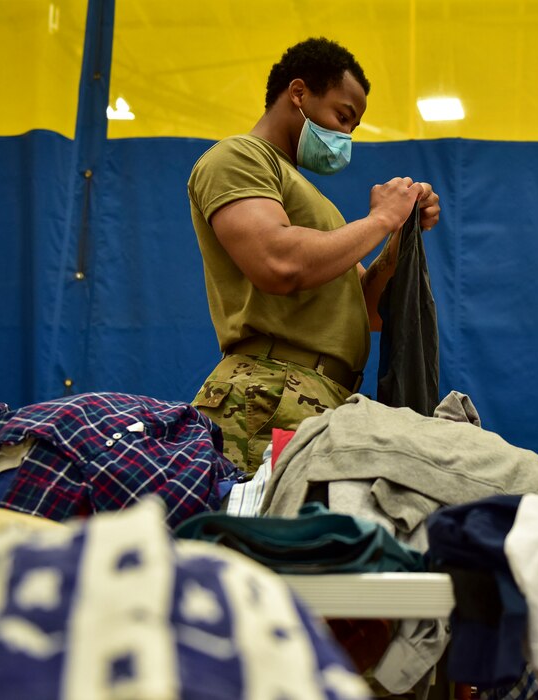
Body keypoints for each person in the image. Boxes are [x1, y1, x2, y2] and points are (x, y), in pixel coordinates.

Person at [187, 37, 441, 471]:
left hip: (321, 397)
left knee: (309, 538)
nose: (345, 136)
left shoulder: (311, 198)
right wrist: (379, 220)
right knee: (263, 536)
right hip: (269, 394)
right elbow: (278, 263)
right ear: (299, 93)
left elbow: (366, 310)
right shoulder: (238, 157)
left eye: (354, 127)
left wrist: (398, 237)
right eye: (343, 117)